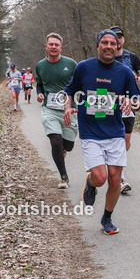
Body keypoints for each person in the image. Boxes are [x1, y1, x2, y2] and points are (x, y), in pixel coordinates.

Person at [64, 29, 140, 235]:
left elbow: (137, 99)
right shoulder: (84, 67)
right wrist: (67, 107)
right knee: (100, 177)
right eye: (104, 43)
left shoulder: (124, 72)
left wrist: (129, 101)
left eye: (112, 44)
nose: (108, 46)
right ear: (97, 45)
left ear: (117, 47)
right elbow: (69, 91)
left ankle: (107, 218)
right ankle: (90, 184)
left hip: (115, 131)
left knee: (115, 179)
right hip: (91, 132)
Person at [35, 33, 78, 189]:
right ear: (46, 47)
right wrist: (39, 93)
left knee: (68, 145)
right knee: (55, 142)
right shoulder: (40, 66)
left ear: (61, 47)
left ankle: (63, 150)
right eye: (50, 44)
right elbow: (39, 84)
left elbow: (79, 83)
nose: (53, 47)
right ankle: (64, 177)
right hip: (50, 109)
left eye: (56, 44)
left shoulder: (71, 64)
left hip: (69, 110)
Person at [109, 26, 140, 195]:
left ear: (123, 39)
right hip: (108, 102)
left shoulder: (131, 57)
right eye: (114, 37)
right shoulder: (103, 57)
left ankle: (116, 168)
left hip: (128, 103)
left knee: (125, 141)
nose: (118, 40)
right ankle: (120, 177)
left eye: (120, 37)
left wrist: (134, 78)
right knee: (112, 139)